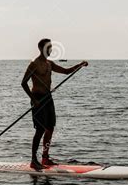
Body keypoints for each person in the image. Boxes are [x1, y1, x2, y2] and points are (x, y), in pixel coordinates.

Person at [21, 39, 88, 170]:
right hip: (38, 99)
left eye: (51, 47)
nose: (50, 49)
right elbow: (23, 83)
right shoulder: (34, 64)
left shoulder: (49, 63)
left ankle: (45, 158)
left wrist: (80, 65)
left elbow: (66, 71)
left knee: (50, 128)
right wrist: (33, 100)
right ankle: (33, 160)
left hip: (48, 98)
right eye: (48, 47)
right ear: (40, 48)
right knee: (40, 129)